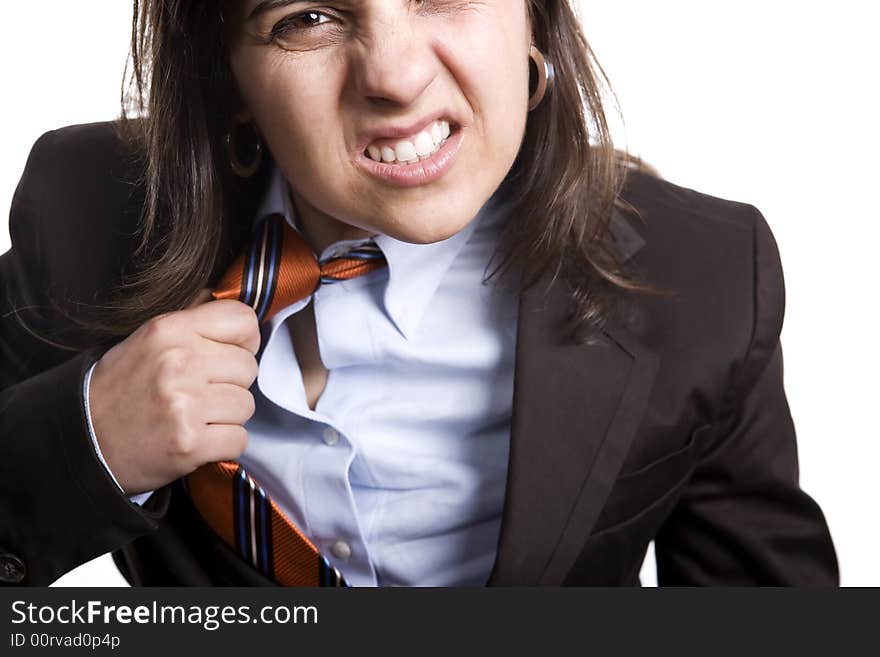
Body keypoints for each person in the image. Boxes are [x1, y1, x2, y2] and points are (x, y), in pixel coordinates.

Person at [0, 0, 837, 587]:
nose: (395, 77)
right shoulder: (81, 216)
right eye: (308, 17)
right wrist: (84, 444)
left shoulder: (709, 277)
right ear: (229, 78)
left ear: (534, 19)